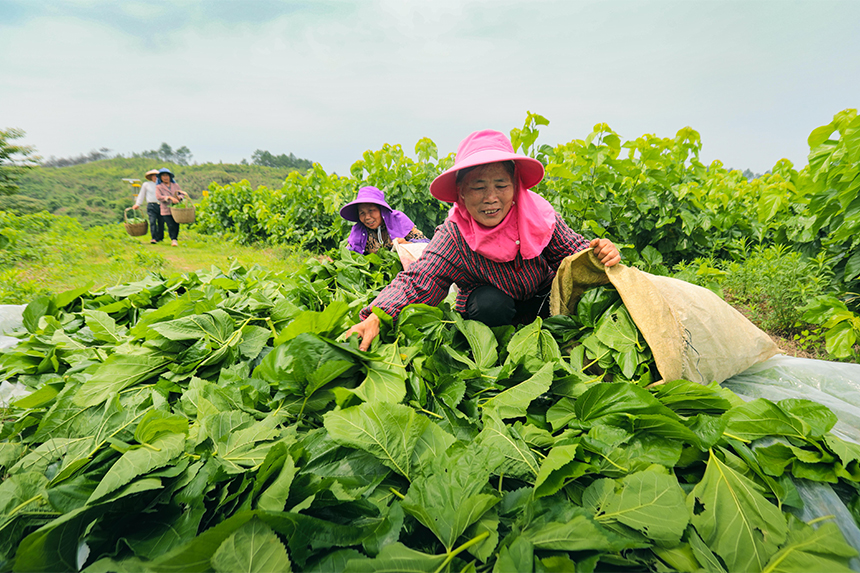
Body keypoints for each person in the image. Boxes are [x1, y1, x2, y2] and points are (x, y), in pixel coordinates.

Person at [346, 129, 621, 351]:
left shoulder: (537, 217)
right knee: (490, 303)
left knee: (564, 293)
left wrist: (600, 254)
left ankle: (548, 340)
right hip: (491, 316)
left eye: (501, 185)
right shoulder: (454, 235)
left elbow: (573, 254)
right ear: (461, 193)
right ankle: (499, 354)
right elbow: (420, 280)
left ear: (515, 187)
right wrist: (378, 315)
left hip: (542, 303)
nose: (491, 198)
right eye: (478, 187)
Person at [340, 186, 428, 255]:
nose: (367, 217)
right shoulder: (359, 229)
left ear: (381, 210)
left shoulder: (398, 220)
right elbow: (349, 253)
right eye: (362, 213)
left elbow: (426, 245)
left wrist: (408, 244)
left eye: (371, 210)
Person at [155, 168, 187, 247]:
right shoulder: (159, 187)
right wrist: (169, 198)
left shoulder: (175, 185)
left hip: (176, 209)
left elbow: (181, 193)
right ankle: (173, 239)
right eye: (163, 176)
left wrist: (179, 198)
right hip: (166, 209)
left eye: (167, 175)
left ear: (170, 176)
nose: (165, 177)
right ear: (160, 177)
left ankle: (175, 238)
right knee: (170, 224)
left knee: (176, 224)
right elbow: (159, 197)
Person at [132, 169, 163, 243]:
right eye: (153, 176)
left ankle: (160, 237)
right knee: (152, 221)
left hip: (161, 205)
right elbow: (141, 194)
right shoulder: (146, 184)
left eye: (156, 176)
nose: (155, 177)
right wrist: (137, 204)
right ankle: (154, 238)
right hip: (151, 205)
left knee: (161, 222)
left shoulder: (162, 185)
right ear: (151, 177)